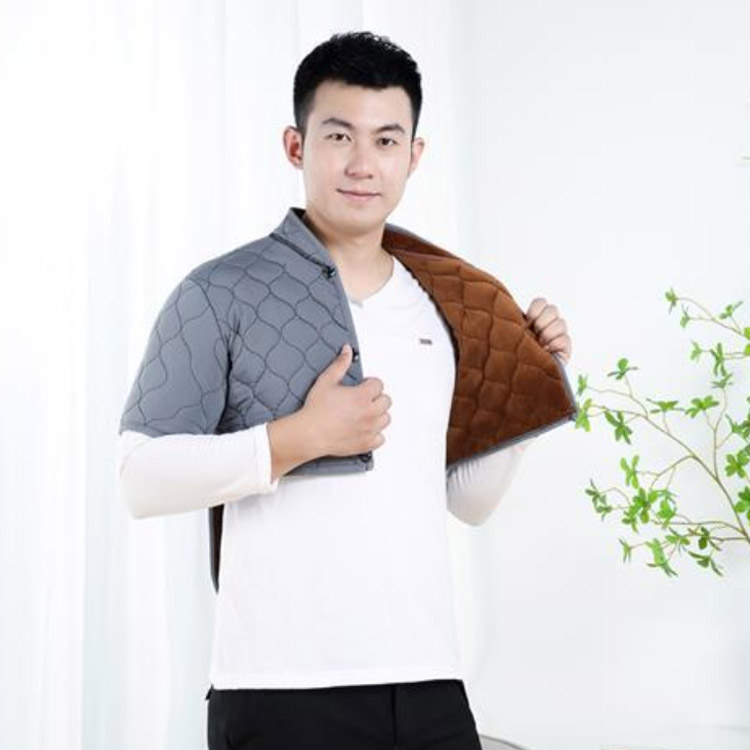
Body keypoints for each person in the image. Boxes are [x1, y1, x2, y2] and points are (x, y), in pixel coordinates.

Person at [117, 30, 572, 750]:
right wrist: (297, 440)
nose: (363, 164)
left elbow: (469, 502)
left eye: (386, 141)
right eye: (339, 136)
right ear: (295, 146)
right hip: (280, 693)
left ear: (413, 156)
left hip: (430, 687)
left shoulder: (450, 304)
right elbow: (140, 478)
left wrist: (535, 380)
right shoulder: (217, 293)